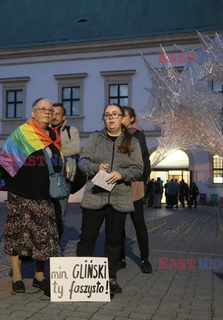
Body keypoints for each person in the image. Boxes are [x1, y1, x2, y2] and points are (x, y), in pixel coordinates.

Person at [0, 98, 61, 294]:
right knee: (18, 236)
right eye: (42, 109)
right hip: (20, 194)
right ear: (33, 112)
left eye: (50, 110)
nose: (47, 112)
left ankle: (39, 276)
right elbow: (5, 161)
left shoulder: (53, 136)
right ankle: (17, 277)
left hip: (44, 195)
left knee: (43, 238)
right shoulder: (21, 133)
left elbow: (57, 165)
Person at [76, 104, 143, 294]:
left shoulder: (132, 142)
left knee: (114, 240)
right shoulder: (95, 138)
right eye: (107, 115)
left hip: (119, 198)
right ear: (103, 118)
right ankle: (81, 277)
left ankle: (110, 277)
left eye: (115, 114)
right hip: (95, 195)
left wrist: (121, 174)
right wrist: (96, 168)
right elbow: (83, 162)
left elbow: (139, 168)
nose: (111, 118)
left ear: (122, 118)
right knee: (86, 238)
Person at [118, 106, 152, 273]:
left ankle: (145, 258)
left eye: (123, 116)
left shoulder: (137, 135)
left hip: (134, 186)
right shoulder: (114, 134)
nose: (120, 118)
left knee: (138, 223)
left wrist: (141, 180)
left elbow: (145, 160)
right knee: (118, 225)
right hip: (117, 185)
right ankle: (120, 257)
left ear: (131, 118)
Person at [50, 103, 81, 246]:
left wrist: (53, 151)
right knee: (43, 214)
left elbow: (75, 148)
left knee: (60, 215)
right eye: (52, 113)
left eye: (58, 114)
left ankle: (55, 245)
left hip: (64, 178)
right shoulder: (43, 130)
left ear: (64, 117)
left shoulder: (71, 130)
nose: (54, 116)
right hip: (45, 177)